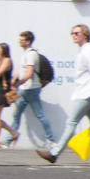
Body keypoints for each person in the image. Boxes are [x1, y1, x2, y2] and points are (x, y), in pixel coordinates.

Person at [49, 23, 90, 166]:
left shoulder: (89, 51)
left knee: (71, 122)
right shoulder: (83, 51)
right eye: (72, 33)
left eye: (76, 33)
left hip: (85, 94)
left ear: (85, 34)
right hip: (87, 93)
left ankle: (54, 153)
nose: (73, 36)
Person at [11, 29, 65, 161]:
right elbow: (21, 70)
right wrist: (15, 79)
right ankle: (9, 139)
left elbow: (29, 73)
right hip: (26, 89)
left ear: (28, 41)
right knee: (17, 113)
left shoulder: (31, 55)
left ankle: (51, 139)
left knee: (39, 114)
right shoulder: (25, 54)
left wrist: (18, 84)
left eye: (22, 39)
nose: (20, 41)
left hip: (31, 89)